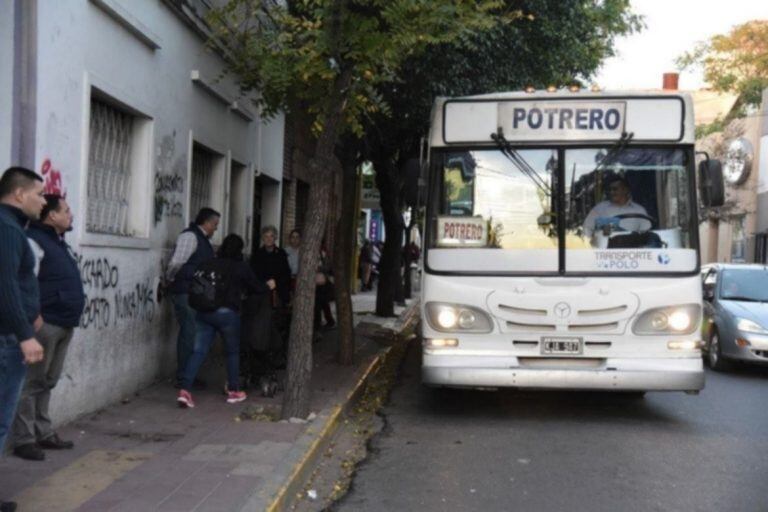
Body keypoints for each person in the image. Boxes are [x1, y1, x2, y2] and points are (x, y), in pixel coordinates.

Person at [10, 194, 85, 461]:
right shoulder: (34, 241)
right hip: (46, 323)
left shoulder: (58, 243)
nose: (71, 215)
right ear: (52, 215)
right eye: (66, 210)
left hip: (64, 322)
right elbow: (26, 281)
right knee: (31, 383)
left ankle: (43, 432)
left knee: (48, 381)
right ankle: (24, 439)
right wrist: (34, 316)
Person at [177, 234, 274, 408]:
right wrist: (268, 286)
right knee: (232, 353)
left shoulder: (207, 263)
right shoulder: (240, 267)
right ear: (239, 250)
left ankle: (184, 390)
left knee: (198, 351)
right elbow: (256, 288)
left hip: (204, 313)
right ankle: (234, 390)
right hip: (227, 315)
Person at [0, 167, 47, 512]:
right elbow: (5, 287)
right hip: (6, 341)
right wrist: (25, 335)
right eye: (39, 194)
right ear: (19, 194)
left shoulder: (10, 227)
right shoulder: (7, 229)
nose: (44, 202)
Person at [165, 207, 220, 388]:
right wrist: (171, 279)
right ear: (207, 222)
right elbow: (177, 262)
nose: (216, 229)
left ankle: (188, 375)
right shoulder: (190, 237)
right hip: (185, 292)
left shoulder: (202, 239)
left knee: (194, 332)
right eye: (215, 225)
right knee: (189, 333)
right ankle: (183, 378)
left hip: (194, 292)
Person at [582, 177, 650, 240]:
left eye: (615, 189)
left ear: (626, 190)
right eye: (610, 190)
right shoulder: (599, 209)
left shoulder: (640, 211)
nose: (611, 192)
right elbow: (587, 229)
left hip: (631, 251)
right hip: (605, 250)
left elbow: (646, 235)